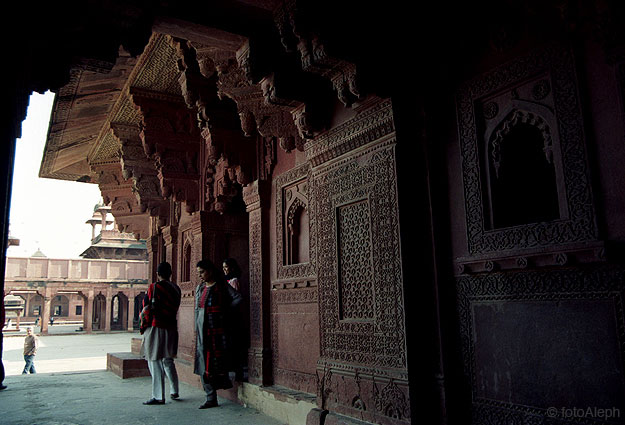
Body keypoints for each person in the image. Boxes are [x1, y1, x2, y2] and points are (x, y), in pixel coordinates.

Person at [194, 259, 242, 409]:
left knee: (216, 364)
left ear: (210, 271)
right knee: (203, 362)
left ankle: (213, 396)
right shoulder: (200, 288)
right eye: (199, 273)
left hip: (218, 333)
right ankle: (210, 396)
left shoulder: (221, 286)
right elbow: (197, 309)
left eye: (202, 272)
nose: (200, 275)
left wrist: (225, 311)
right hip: (203, 332)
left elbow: (238, 298)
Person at [140, 262, 181, 405]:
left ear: (157, 274)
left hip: (156, 325)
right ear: (171, 273)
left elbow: (146, 306)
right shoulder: (176, 288)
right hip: (171, 326)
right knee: (168, 359)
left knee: (154, 359)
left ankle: (158, 396)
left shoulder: (154, 287)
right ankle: (174, 390)